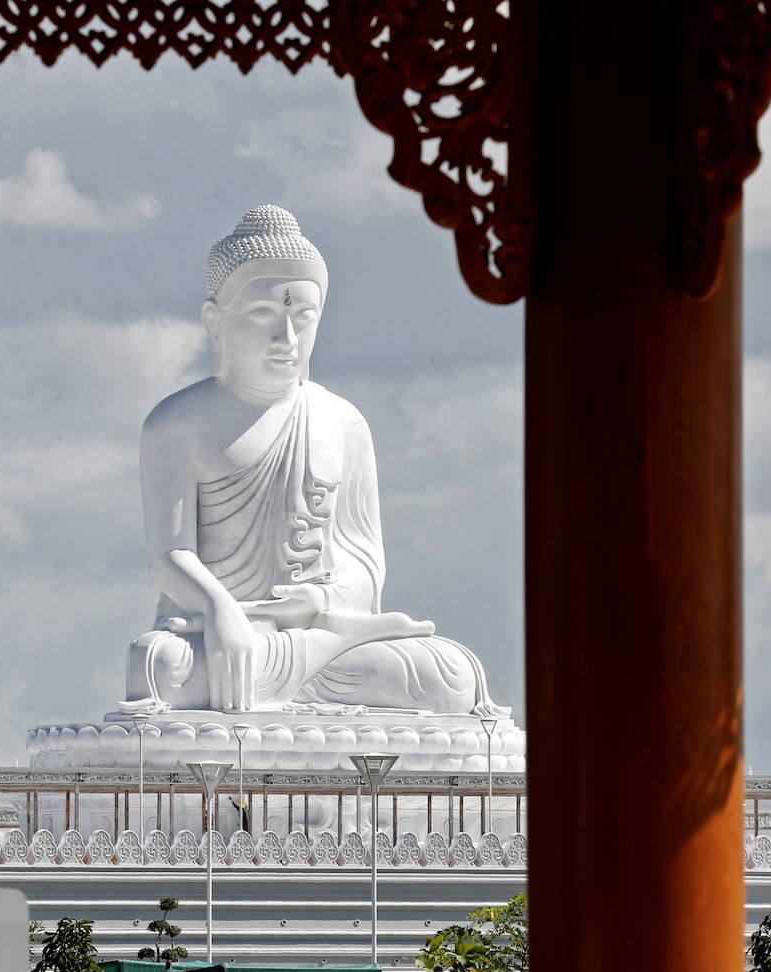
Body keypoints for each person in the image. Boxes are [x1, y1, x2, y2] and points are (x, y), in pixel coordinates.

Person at [123, 204, 508, 720]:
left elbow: (364, 561)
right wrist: (221, 611)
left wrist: (315, 604)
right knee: (159, 665)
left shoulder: (340, 422)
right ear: (215, 321)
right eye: (263, 315)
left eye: (302, 318)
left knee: (449, 675)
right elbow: (169, 556)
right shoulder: (176, 423)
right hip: (219, 638)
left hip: (322, 638)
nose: (287, 338)